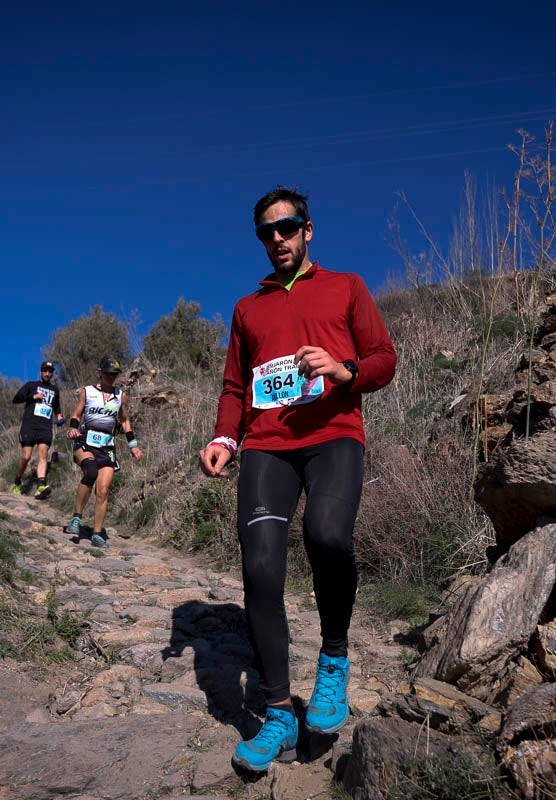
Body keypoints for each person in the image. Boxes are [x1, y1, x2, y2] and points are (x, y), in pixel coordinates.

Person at [199, 187, 397, 773]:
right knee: (259, 568)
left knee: (327, 536)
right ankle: (279, 711)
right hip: (266, 446)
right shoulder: (248, 309)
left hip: (334, 435)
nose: (277, 239)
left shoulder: (347, 287)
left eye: (287, 227)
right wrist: (223, 438)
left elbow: (385, 357)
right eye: (266, 232)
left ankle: (333, 661)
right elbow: (235, 386)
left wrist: (345, 370)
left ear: (309, 229)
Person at [63, 357, 142, 547]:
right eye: (107, 373)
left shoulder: (120, 396)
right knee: (90, 471)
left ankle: (97, 534)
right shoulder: (87, 392)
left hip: (107, 445)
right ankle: (76, 517)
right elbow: (76, 414)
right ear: (101, 372)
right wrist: (73, 428)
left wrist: (133, 445)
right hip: (86, 440)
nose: (110, 377)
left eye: (113, 374)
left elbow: (124, 421)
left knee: (103, 491)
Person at [12, 361, 64, 498]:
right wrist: (33, 397)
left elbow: (56, 407)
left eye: (50, 371)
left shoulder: (55, 390)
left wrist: (59, 416)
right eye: (45, 371)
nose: (47, 373)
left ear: (52, 373)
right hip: (29, 426)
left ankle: (41, 485)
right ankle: (17, 481)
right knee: (26, 456)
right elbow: (16, 399)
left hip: (45, 428)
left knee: (43, 456)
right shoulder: (31, 385)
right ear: (41, 372)